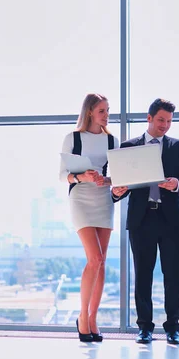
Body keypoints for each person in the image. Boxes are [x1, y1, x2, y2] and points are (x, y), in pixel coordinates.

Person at [112, 98, 179, 345]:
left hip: (172, 220)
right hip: (141, 218)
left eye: (169, 121)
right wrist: (116, 192)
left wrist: (176, 184)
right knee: (142, 275)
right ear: (149, 118)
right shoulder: (128, 146)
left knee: (173, 275)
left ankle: (173, 328)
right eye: (161, 120)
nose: (165, 125)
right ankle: (144, 328)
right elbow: (120, 185)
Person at [59, 93, 119, 342]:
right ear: (90, 112)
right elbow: (63, 175)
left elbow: (117, 175)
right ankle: (82, 316)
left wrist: (105, 180)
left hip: (103, 198)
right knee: (94, 258)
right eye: (102, 111)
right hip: (81, 198)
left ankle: (93, 318)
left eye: (108, 110)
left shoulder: (112, 140)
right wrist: (83, 176)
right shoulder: (72, 138)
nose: (106, 115)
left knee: (102, 261)